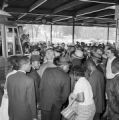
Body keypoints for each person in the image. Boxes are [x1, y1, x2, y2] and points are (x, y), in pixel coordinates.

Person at [7, 56, 37, 120]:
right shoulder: (29, 80)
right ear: (24, 65)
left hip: (12, 112)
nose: (30, 66)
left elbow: (10, 95)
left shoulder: (10, 77)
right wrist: (34, 116)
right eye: (29, 64)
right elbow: (31, 101)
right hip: (24, 114)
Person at [0, 56, 19, 120]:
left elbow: (5, 87)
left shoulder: (10, 73)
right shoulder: (17, 73)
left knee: (5, 114)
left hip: (7, 98)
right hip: (11, 98)